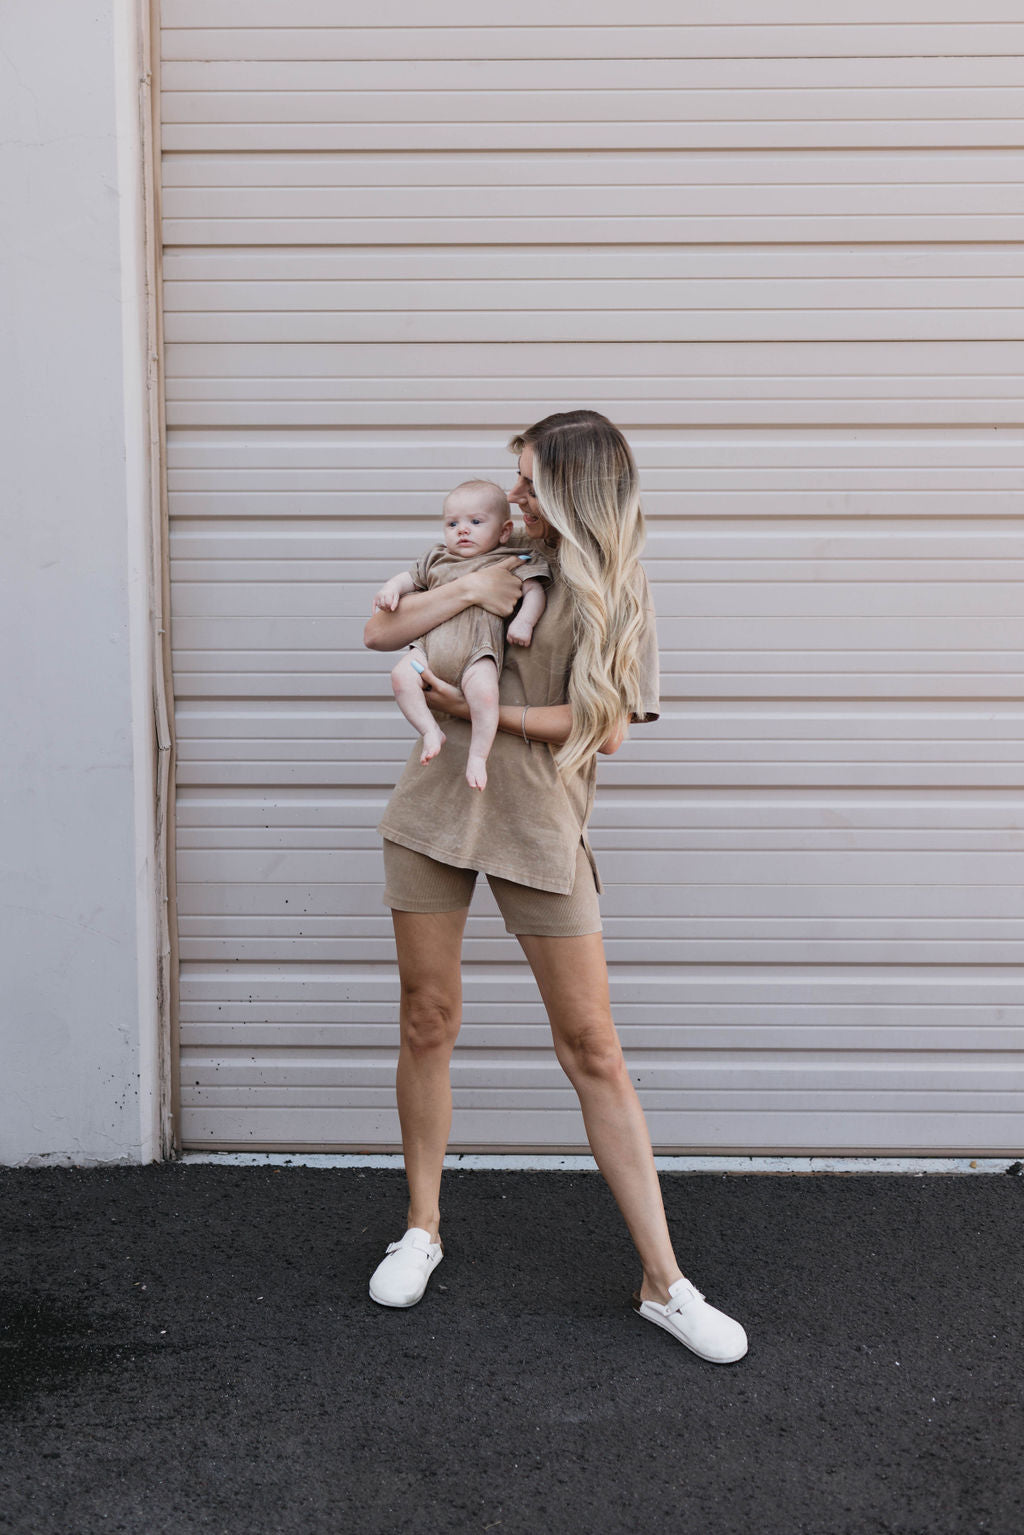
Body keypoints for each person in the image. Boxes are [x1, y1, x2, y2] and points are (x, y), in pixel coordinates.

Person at [362, 411, 747, 1364]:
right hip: (434, 814)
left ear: (578, 490)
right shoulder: (484, 554)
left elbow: (606, 728)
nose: (515, 500)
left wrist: (474, 709)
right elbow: (380, 627)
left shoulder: (615, 589)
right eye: (516, 484)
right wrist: (469, 594)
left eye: (532, 484)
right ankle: (422, 1228)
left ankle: (665, 1281)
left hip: (538, 826)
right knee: (427, 1018)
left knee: (594, 1048)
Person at [372, 479, 549, 791]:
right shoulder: (437, 558)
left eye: (476, 522)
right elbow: (408, 579)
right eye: (452, 523)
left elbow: (534, 589)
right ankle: (430, 731)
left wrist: (525, 621)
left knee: (484, 695)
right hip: (426, 651)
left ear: (504, 531)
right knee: (401, 676)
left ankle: (478, 756)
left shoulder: (513, 556)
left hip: (477, 653)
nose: (462, 530)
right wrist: (390, 589)